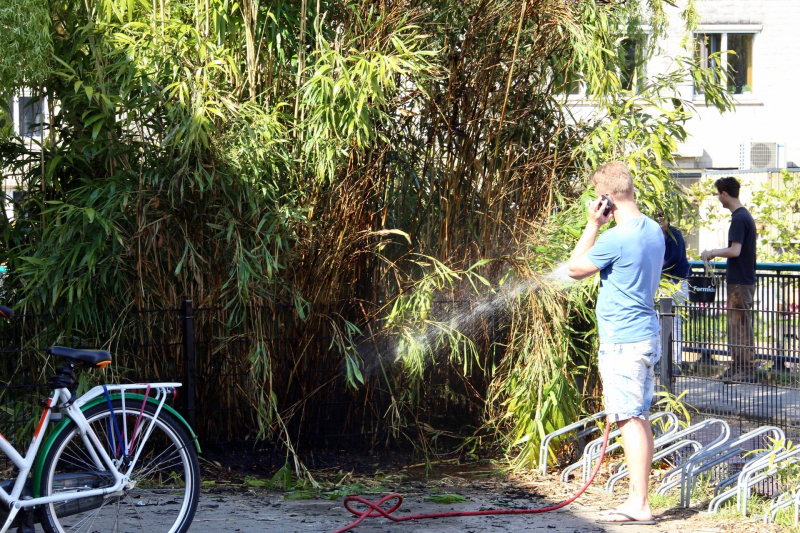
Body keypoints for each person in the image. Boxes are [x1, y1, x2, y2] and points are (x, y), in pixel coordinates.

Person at [567, 161, 664, 525]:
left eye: (598, 199)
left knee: (629, 419)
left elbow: (574, 268)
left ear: (606, 197)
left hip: (624, 341)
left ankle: (639, 505)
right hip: (645, 333)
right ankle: (639, 500)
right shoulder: (653, 229)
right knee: (637, 416)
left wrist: (593, 224)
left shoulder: (615, 237)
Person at [700, 177, 757, 383]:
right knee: (737, 326)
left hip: (740, 282)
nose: (718, 198)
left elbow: (735, 250)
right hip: (742, 280)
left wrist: (712, 253)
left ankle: (746, 369)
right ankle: (738, 367)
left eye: (718, 194)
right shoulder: (744, 216)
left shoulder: (739, 218)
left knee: (740, 325)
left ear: (724, 193)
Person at [659, 214, 690, 373]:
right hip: (663, 282)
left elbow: (676, 257)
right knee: (660, 322)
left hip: (676, 282)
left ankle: (675, 364)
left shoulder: (674, 233)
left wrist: (659, 268)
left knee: (675, 322)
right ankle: (663, 362)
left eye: (661, 215)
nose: (659, 218)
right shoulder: (656, 234)